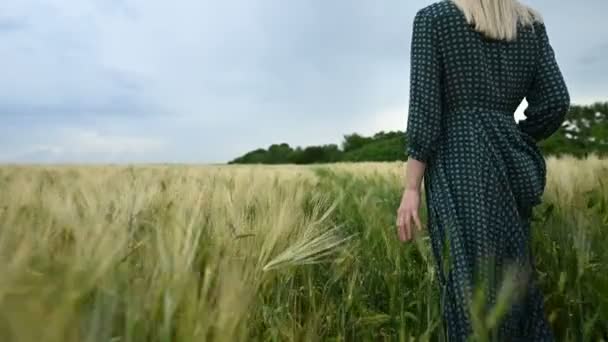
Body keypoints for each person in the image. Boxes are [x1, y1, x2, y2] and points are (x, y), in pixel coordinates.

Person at [396, 0, 570, 340]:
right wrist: (516, 137)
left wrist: (412, 188)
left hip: (458, 159)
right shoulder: (530, 24)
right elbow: (555, 100)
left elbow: (425, 110)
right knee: (512, 274)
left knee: (467, 279)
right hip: (511, 159)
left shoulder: (434, 19)